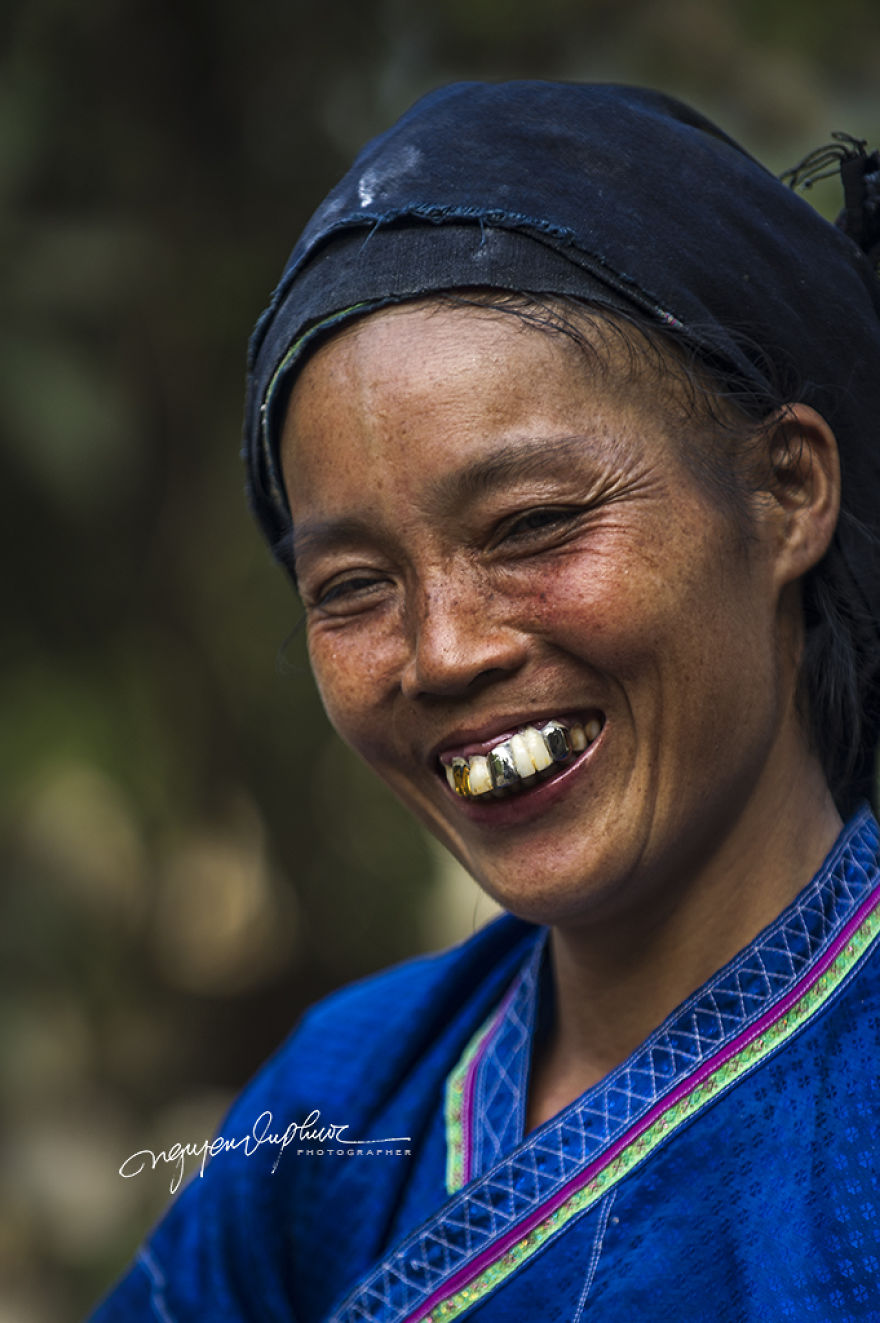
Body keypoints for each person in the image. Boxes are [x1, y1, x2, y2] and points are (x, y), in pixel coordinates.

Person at [90, 82, 880, 1321]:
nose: (443, 653)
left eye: (533, 525)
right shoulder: (330, 1114)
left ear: (785, 490)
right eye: (352, 586)